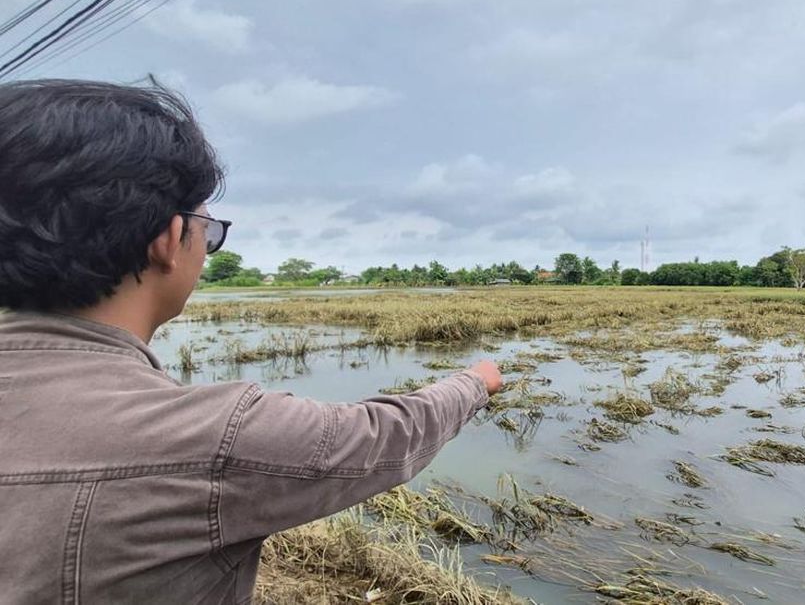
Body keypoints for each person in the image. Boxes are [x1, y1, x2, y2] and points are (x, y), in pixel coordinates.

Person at [0, 78, 503, 603]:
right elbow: (384, 437)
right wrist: (474, 382)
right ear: (169, 240)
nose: (206, 248)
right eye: (209, 230)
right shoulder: (212, 438)